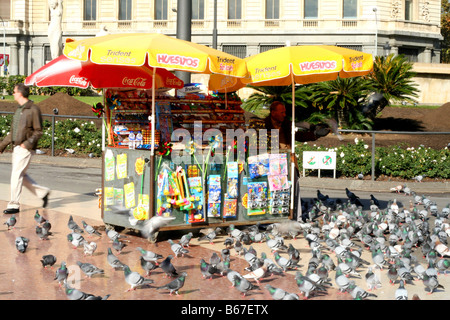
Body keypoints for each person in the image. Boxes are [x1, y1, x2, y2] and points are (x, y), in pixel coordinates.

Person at [0, 83, 50, 214]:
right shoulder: (19, 110)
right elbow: (13, 132)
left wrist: (27, 144)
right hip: (17, 147)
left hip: (25, 148)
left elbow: (38, 131)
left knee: (16, 175)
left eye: (14, 92)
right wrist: (2, 146)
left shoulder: (33, 109)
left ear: (20, 93)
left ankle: (14, 205)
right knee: (20, 175)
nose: (13, 94)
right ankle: (43, 193)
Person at [264, 101, 333, 148]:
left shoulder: (286, 124)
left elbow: (299, 136)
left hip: (287, 159)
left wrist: (316, 134)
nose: (284, 115)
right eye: (282, 112)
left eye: (284, 112)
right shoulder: (263, 125)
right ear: (273, 112)